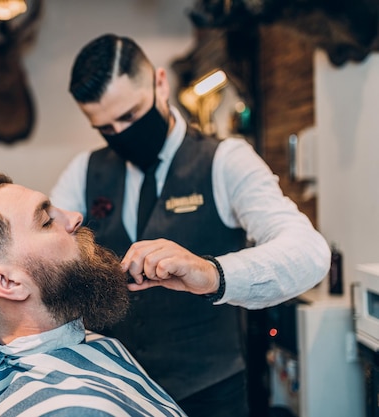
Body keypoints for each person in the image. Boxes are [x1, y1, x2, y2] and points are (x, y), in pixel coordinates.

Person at [50, 33, 331, 417]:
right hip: (117, 392)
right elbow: (47, 253)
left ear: (160, 84)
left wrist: (213, 272)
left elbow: (309, 252)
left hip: (210, 392)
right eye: (106, 128)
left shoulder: (225, 161)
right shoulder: (84, 172)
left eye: (130, 116)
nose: (121, 134)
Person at [0, 173, 188, 417]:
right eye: (47, 221)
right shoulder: (70, 411)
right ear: (8, 283)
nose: (75, 217)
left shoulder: (79, 339)